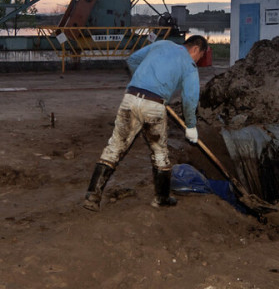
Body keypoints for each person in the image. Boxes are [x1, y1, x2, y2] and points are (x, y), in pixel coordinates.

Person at [82, 35, 209, 211]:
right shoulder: (189, 65)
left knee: (115, 147)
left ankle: (92, 197)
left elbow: (132, 59)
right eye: (200, 56)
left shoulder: (162, 43)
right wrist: (191, 126)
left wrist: (143, 81)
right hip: (153, 106)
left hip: (130, 99)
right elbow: (190, 99)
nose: (199, 59)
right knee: (160, 152)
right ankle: (161, 198)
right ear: (196, 49)